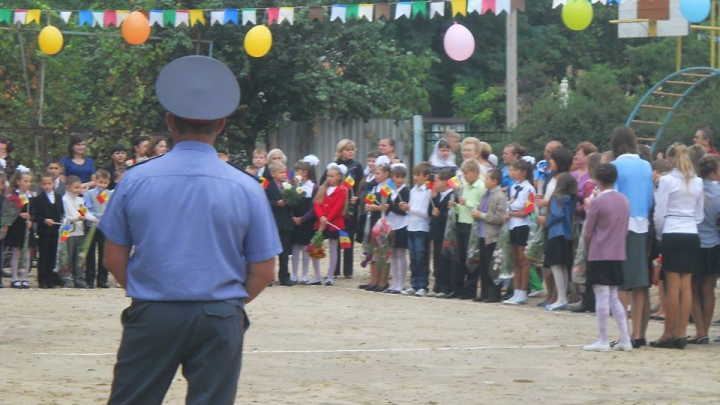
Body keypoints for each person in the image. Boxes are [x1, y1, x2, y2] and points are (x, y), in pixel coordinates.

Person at [100, 55, 280, 405]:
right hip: (219, 315)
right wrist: (227, 305)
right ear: (221, 124)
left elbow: (113, 258)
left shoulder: (135, 180)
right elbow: (263, 270)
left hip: (153, 312)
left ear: (170, 121)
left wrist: (152, 294)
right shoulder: (246, 187)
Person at [651, 144, 703, 349]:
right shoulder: (697, 181)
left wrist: (660, 233)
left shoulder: (666, 180)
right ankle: (681, 333)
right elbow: (698, 214)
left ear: (671, 159)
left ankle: (668, 333)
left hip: (672, 229)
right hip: (691, 231)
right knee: (686, 285)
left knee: (672, 286)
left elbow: (659, 211)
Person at [611, 127, 654, 349]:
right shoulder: (646, 166)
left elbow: (616, 199)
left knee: (622, 282)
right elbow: (649, 197)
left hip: (622, 225)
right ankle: (638, 333)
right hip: (642, 223)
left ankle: (624, 334)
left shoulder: (616, 166)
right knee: (639, 282)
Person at [582, 163, 632, 352]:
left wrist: (588, 250)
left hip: (600, 252)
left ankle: (603, 340)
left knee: (602, 296)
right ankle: (625, 339)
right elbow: (625, 228)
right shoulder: (624, 200)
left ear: (598, 180)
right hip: (618, 252)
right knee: (614, 296)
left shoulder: (597, 202)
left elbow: (588, 231)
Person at [689, 154, 720, 344]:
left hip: (695, 242)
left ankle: (699, 330)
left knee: (692, 288)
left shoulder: (694, 190)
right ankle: (706, 330)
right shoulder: (718, 192)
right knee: (709, 288)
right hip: (714, 242)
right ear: (713, 172)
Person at [323, 139, 363, 279]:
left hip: (350, 206)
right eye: (347, 149)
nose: (351, 152)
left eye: (352, 149)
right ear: (340, 152)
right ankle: (335, 269)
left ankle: (348, 270)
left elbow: (360, 186)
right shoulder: (334, 166)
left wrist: (357, 198)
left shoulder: (357, 166)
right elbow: (324, 183)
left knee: (348, 237)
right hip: (335, 207)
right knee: (335, 237)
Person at [450, 159, 486, 300]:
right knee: (460, 258)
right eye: (463, 174)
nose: (464, 176)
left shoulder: (481, 187)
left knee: (472, 258)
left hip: (473, 225)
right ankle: (458, 288)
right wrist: (456, 206)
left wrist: (468, 203)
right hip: (461, 223)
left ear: (475, 173)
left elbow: (481, 206)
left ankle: (470, 290)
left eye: (466, 173)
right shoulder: (464, 187)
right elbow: (462, 207)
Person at [471, 168, 507, 302]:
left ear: (495, 181)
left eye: (487, 178)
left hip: (492, 236)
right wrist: (476, 213)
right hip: (482, 234)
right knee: (483, 266)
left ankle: (494, 294)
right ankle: (485, 292)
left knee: (493, 266)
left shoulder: (500, 196)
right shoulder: (485, 195)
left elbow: (499, 217)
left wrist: (481, 215)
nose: (484, 181)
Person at [503, 159, 535, 305]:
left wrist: (511, 213)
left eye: (516, 170)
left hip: (523, 225)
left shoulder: (529, 189)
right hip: (512, 225)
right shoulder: (513, 186)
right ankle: (516, 291)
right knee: (515, 258)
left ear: (524, 172)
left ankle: (523, 292)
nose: (513, 173)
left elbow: (527, 211)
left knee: (523, 259)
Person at [543, 173, 577, 311]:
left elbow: (557, 214)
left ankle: (561, 298)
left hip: (556, 232)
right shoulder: (571, 199)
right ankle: (562, 297)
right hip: (567, 234)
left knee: (555, 265)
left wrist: (547, 221)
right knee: (563, 266)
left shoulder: (556, 199)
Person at [313, 163, 349, 286]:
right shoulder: (322, 189)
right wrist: (321, 217)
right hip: (321, 222)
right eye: (328, 176)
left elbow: (338, 207)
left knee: (334, 249)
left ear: (338, 177)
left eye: (332, 176)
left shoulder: (342, 190)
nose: (329, 178)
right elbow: (317, 203)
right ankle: (317, 275)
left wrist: (327, 218)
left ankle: (330, 276)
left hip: (333, 223)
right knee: (316, 247)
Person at [400, 162, 432, 296]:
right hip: (411, 227)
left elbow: (426, 213)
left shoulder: (428, 192)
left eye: (419, 175)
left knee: (421, 257)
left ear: (426, 176)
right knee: (413, 258)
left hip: (422, 228)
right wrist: (405, 208)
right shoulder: (412, 191)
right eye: (415, 175)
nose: (416, 177)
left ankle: (423, 285)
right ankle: (414, 284)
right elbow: (411, 210)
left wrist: (410, 209)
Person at [61, 175, 98, 288]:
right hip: (67, 230)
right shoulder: (65, 199)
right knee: (67, 255)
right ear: (68, 187)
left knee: (79, 256)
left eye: (79, 187)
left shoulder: (80, 200)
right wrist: (77, 218)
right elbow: (67, 216)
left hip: (79, 231)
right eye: (75, 187)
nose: (78, 190)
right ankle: (67, 278)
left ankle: (78, 278)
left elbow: (84, 213)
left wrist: (95, 219)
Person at [360, 158, 391, 291]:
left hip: (383, 222)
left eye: (378, 173)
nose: (376, 176)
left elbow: (387, 206)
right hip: (372, 220)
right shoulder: (373, 186)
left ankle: (383, 281)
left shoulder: (389, 186)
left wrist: (375, 208)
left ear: (386, 174)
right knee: (372, 251)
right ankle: (373, 279)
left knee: (382, 251)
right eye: (375, 174)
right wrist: (367, 205)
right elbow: (367, 199)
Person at [291, 156, 320, 285]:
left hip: (307, 221)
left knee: (305, 247)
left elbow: (314, 207)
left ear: (305, 172)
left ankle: (304, 274)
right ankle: (294, 273)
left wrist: (303, 218)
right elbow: (289, 203)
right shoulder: (292, 185)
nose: (296, 173)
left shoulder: (313, 187)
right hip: (294, 220)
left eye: (298, 171)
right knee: (295, 247)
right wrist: (293, 217)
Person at [32, 172, 64, 289]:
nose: (47, 186)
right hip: (44, 231)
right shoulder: (38, 199)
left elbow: (60, 212)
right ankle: (42, 280)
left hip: (55, 231)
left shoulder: (59, 197)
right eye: (44, 184)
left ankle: (51, 279)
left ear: (53, 184)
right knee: (43, 256)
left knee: (52, 255)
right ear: (41, 184)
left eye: (49, 183)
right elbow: (36, 215)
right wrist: (44, 220)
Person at [265, 161, 294, 286]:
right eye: (280, 172)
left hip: (286, 223)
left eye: (285, 172)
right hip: (274, 222)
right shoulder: (268, 186)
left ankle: (284, 276)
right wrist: (277, 203)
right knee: (271, 251)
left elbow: (295, 202)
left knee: (285, 252)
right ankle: (269, 277)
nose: (284, 175)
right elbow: (265, 202)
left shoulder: (288, 185)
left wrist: (292, 200)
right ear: (272, 174)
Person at [5, 168, 34, 289]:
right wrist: (18, 215)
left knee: (27, 254)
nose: (28, 184)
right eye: (25, 181)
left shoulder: (31, 196)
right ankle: (14, 278)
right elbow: (9, 213)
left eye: (29, 181)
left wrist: (31, 219)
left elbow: (35, 211)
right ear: (18, 182)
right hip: (16, 228)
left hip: (27, 228)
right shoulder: (13, 196)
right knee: (16, 253)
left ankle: (25, 278)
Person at [84, 169, 113, 288]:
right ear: (95, 181)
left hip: (104, 226)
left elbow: (110, 208)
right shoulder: (89, 193)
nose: (102, 185)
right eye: (100, 182)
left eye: (105, 183)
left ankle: (102, 280)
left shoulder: (109, 194)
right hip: (91, 225)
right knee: (90, 253)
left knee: (104, 253)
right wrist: (97, 217)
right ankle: (89, 280)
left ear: (108, 182)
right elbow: (88, 208)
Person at [429, 168, 455, 298]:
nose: (435, 184)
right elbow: (431, 211)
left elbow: (450, 216)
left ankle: (446, 287)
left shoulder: (452, 195)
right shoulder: (438, 195)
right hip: (437, 232)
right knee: (437, 260)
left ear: (445, 182)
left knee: (445, 260)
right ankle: (438, 285)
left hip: (446, 233)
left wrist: (440, 215)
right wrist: (433, 197)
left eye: (437, 181)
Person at [386, 164, 409, 294]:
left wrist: (390, 206)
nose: (399, 180)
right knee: (393, 254)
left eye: (402, 177)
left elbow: (403, 211)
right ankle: (394, 282)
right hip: (391, 224)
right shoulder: (391, 190)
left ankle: (401, 283)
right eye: (396, 177)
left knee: (400, 254)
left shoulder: (406, 191)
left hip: (401, 225)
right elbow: (390, 205)